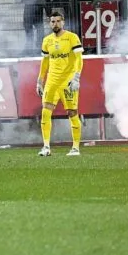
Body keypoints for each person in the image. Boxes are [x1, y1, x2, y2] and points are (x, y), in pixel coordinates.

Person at [35, 11, 83, 157]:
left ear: (63, 22)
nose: (55, 24)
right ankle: (46, 147)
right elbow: (45, 62)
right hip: (52, 82)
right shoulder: (47, 40)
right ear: (50, 23)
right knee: (45, 112)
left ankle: (75, 148)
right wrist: (39, 81)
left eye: (57, 21)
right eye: (52, 21)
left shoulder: (72, 38)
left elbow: (79, 59)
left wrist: (76, 77)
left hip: (67, 82)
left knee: (72, 113)